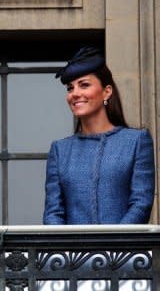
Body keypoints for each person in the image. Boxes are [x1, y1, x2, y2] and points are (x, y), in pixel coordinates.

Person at [43, 47, 155, 224]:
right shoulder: (60, 150)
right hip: (71, 251)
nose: (75, 94)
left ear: (107, 91)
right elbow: (53, 212)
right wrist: (69, 248)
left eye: (84, 85)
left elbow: (141, 204)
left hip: (124, 250)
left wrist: (112, 245)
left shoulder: (136, 141)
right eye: (70, 88)